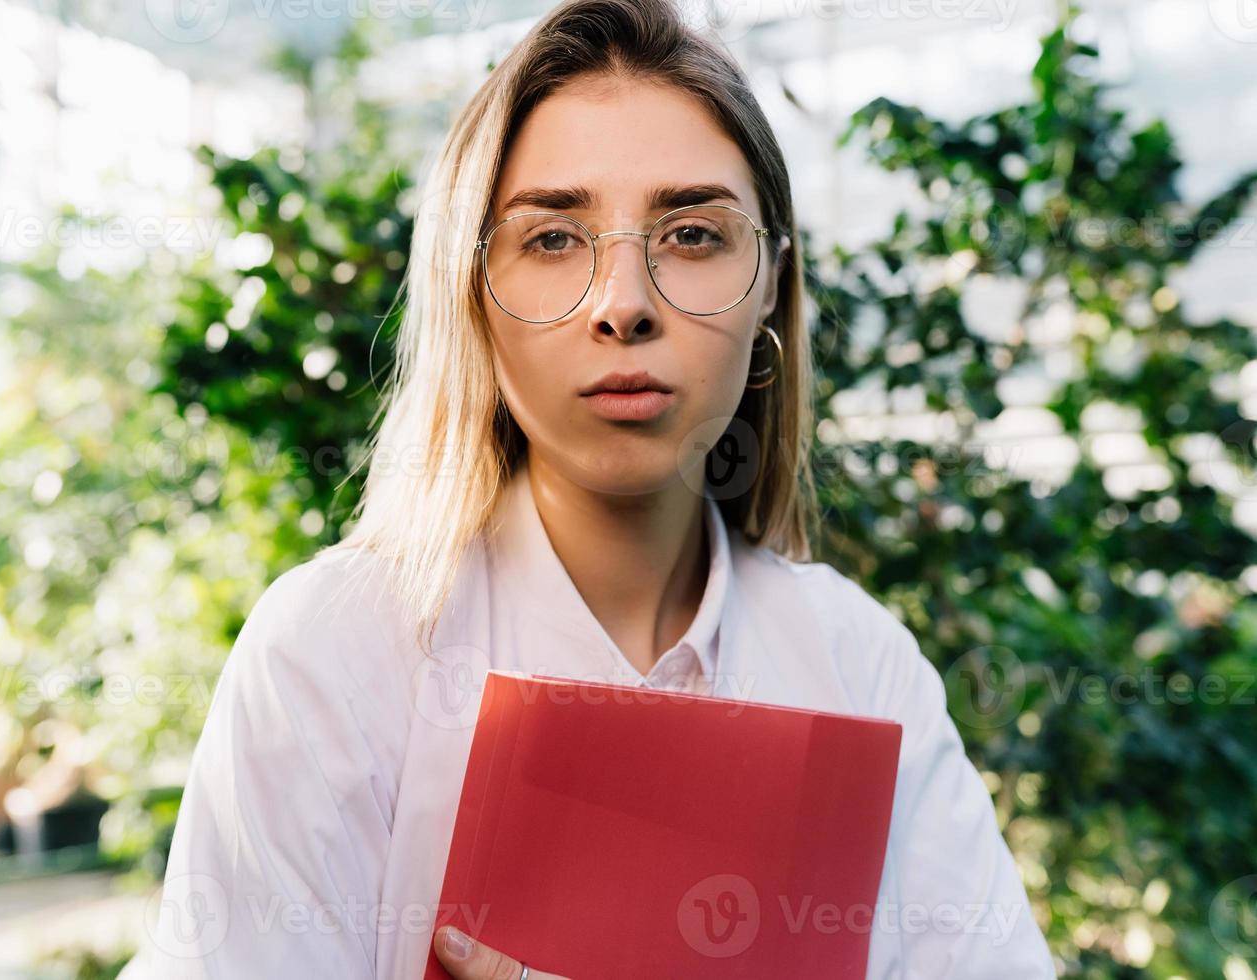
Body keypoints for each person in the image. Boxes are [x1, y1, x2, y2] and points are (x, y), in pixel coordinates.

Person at [127, 0, 1057, 976]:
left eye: (694, 233)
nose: (624, 304)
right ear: (471, 291)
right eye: (552, 238)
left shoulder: (863, 666)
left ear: (774, 281)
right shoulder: (335, 654)